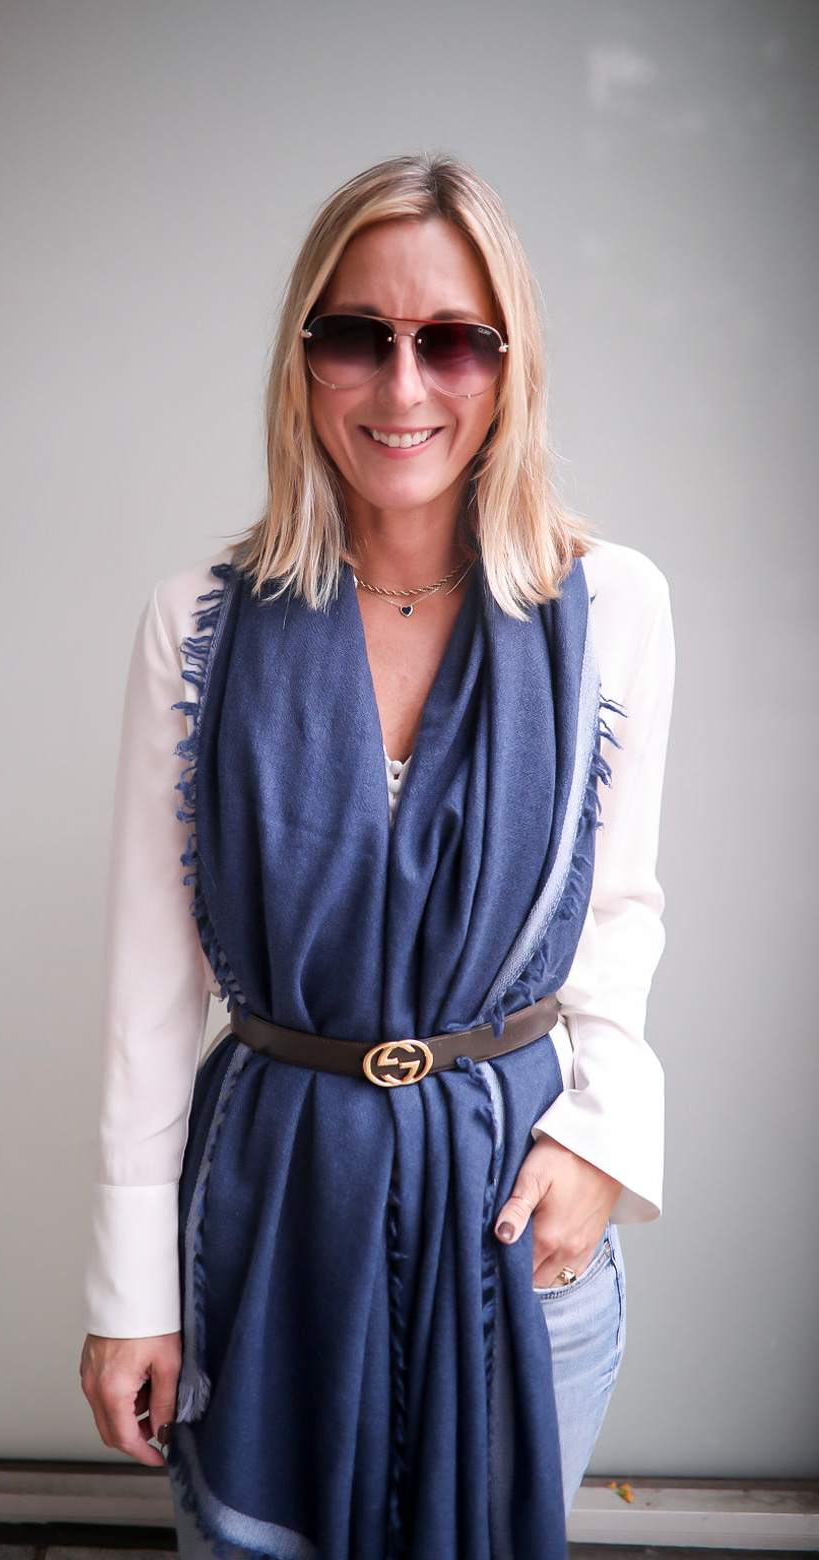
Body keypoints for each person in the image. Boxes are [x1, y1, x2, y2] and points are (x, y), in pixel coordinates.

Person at [79, 154, 674, 1560]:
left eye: (452, 340)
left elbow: (618, 913)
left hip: (516, 1239)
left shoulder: (611, 607)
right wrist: (129, 1291)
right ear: (305, 361)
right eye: (359, 335)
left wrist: (602, 1138)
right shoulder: (198, 625)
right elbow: (151, 996)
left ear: (508, 365)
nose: (405, 387)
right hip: (271, 1232)